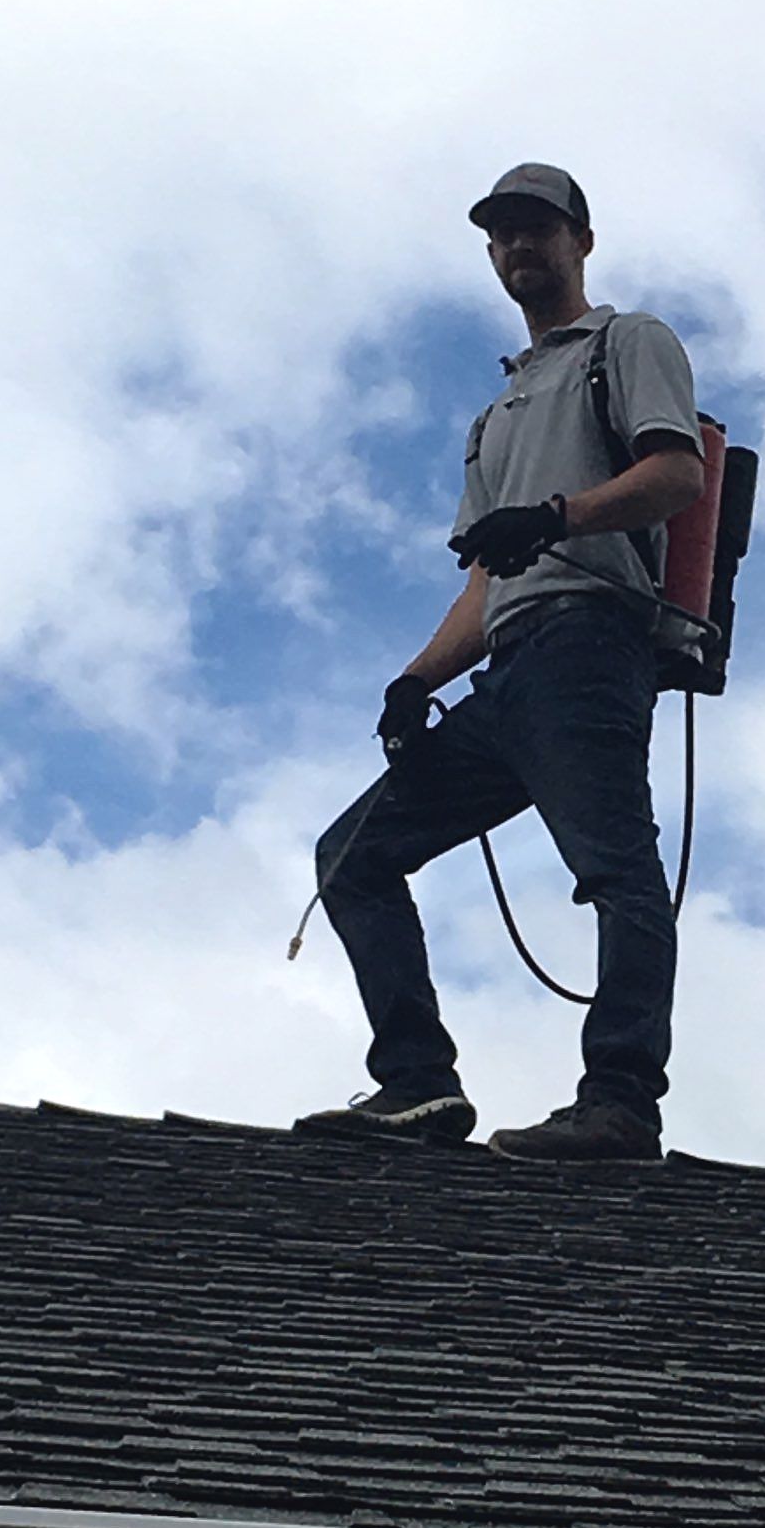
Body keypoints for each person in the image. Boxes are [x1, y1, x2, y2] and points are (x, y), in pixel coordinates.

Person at [301, 163, 706, 1161]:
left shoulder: (626, 342)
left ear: (582, 240)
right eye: (504, 234)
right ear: (491, 254)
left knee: (616, 865)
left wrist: (561, 514)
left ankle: (619, 1101)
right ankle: (418, 1084)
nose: (521, 246)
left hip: (588, 645)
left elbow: (676, 472)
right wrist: (414, 681)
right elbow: (489, 577)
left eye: (540, 228)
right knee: (353, 857)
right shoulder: (496, 415)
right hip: (511, 668)